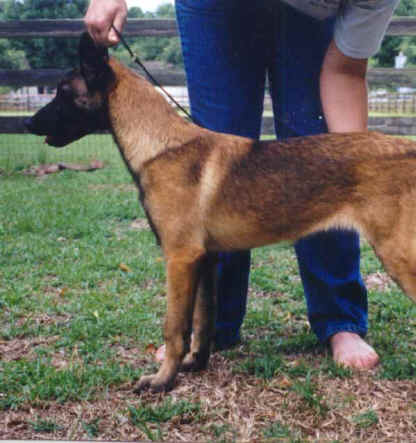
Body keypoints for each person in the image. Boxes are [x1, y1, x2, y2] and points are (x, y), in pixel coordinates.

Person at [85, 0, 398, 370]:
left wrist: (354, 171)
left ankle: (340, 319)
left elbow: (345, 71)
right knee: (218, 145)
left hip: (309, 19)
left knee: (322, 155)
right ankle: (209, 326)